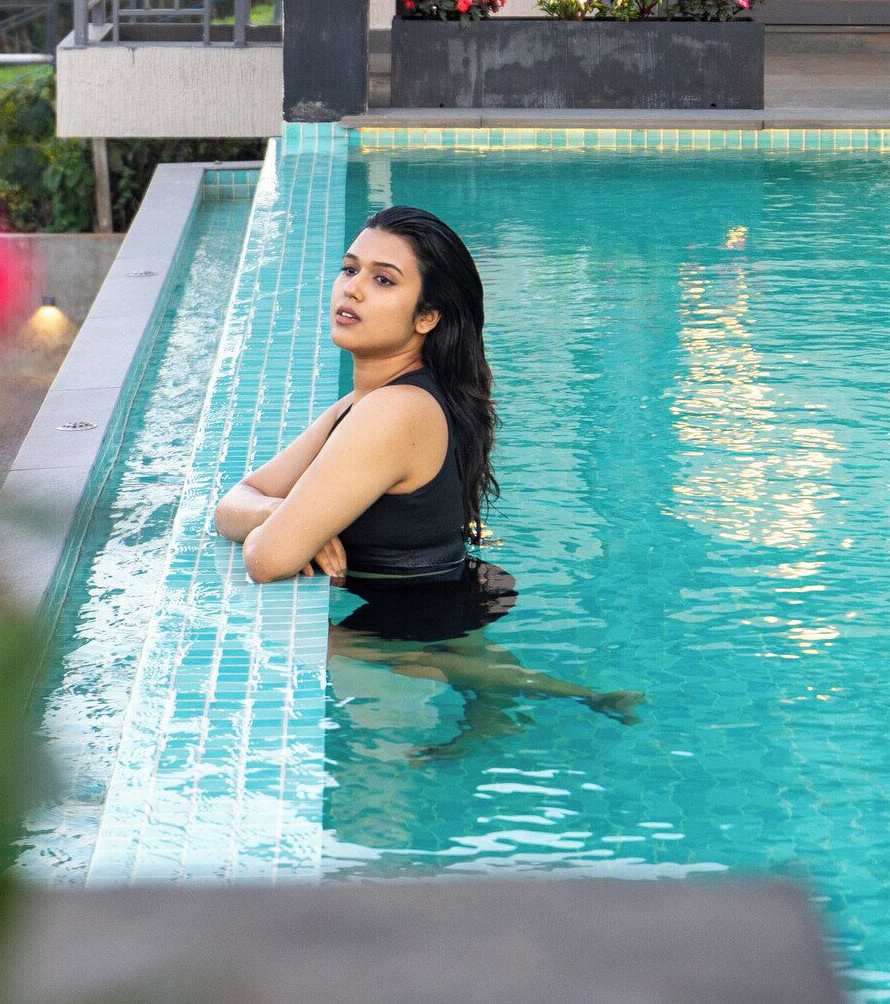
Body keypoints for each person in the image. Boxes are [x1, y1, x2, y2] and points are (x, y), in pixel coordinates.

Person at [213, 206, 637, 724]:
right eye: (350, 269)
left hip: (408, 612)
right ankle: (531, 704)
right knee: (449, 663)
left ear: (427, 317)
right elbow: (233, 504)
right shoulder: (367, 402)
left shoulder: (395, 410)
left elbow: (266, 561)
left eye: (383, 279)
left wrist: (284, 526)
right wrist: (280, 513)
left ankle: (556, 699)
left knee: (301, 642)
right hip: (428, 597)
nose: (353, 289)